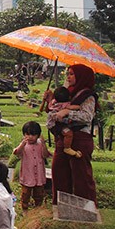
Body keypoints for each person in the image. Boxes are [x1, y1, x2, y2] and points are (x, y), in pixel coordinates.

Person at [46, 64, 98, 204]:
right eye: (67, 74)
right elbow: (55, 110)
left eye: (72, 74)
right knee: (59, 173)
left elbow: (87, 117)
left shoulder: (87, 95)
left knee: (81, 176)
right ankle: (62, 206)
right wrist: (50, 100)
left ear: (81, 76)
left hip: (80, 138)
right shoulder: (68, 92)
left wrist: (68, 113)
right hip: (63, 138)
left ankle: (85, 209)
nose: (68, 77)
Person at [13, 121, 51, 210]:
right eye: (27, 134)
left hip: (39, 174)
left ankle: (38, 208)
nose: (30, 137)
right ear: (24, 135)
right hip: (27, 174)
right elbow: (16, 153)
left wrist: (44, 144)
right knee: (26, 193)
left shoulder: (40, 144)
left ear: (38, 135)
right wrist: (22, 144)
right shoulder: (24, 145)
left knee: (39, 193)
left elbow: (45, 155)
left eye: (33, 135)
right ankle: (25, 208)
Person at [46, 86, 86, 158]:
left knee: (57, 133)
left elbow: (48, 104)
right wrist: (80, 107)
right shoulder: (65, 105)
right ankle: (67, 148)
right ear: (69, 97)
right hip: (58, 124)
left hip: (51, 124)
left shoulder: (53, 103)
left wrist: (50, 95)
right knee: (69, 134)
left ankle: (56, 140)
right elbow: (73, 107)